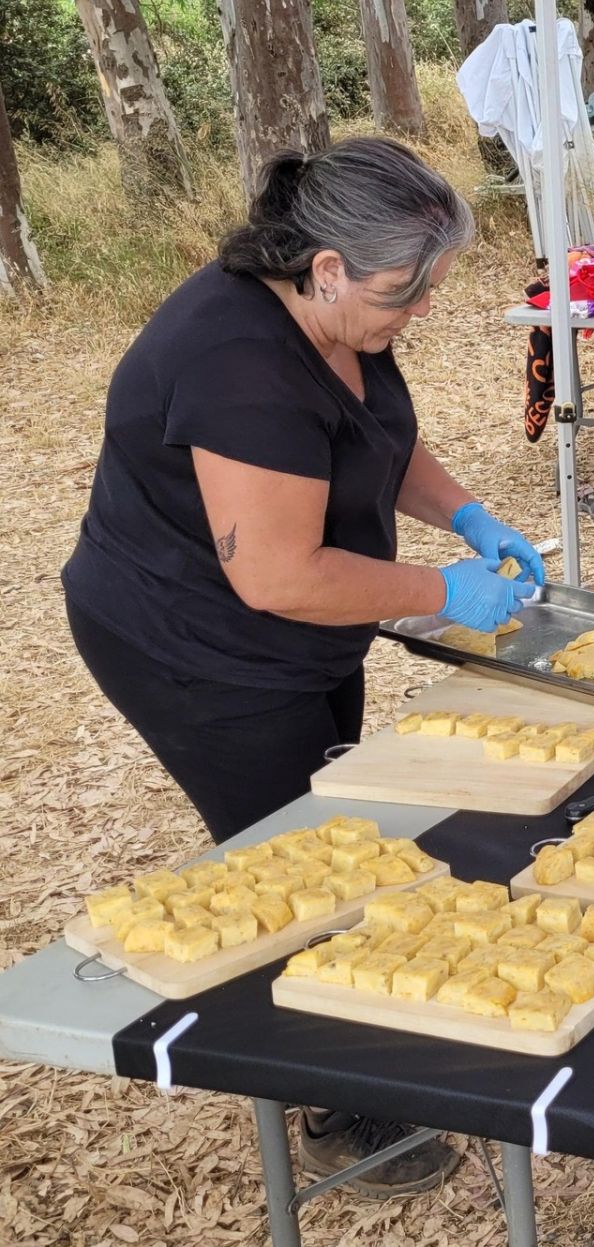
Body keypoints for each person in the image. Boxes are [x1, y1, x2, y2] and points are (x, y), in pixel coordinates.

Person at [61, 137, 542, 1197]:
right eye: (404, 295)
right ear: (326, 268)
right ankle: (336, 1107)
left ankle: (359, 1032)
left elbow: (373, 434)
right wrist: (439, 591)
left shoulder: (334, 311)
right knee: (295, 865)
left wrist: (462, 511)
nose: (418, 314)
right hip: (189, 639)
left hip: (305, 615)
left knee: (338, 818)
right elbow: (277, 575)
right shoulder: (234, 362)